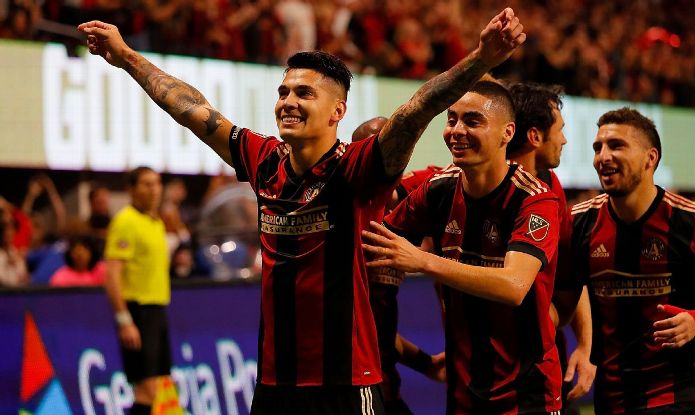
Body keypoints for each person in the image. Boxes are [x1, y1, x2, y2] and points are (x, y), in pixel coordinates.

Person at [78, 8, 526, 415]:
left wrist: (481, 60)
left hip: (348, 387)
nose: (288, 101)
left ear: (337, 112)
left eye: (305, 93)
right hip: (274, 387)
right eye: (284, 91)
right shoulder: (263, 161)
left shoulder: (358, 170)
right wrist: (127, 57)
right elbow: (191, 108)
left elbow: (416, 111)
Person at [362, 80, 562, 414]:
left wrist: (423, 261)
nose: (456, 130)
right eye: (451, 119)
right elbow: (375, 237)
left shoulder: (535, 199)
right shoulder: (437, 189)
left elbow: (514, 285)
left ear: (507, 132)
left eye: (472, 121)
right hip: (463, 391)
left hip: (528, 393)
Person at [559, 108, 695, 414]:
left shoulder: (694, 222)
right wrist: (584, 347)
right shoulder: (578, 223)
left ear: (650, 158)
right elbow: (562, 303)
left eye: (616, 145)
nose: (602, 156)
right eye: (597, 147)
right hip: (611, 399)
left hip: (680, 393)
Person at [507, 81, 596, 414]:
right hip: (480, 373)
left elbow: (568, 275)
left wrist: (585, 347)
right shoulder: (463, 182)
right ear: (534, 136)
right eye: (560, 129)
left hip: (542, 367)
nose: (565, 139)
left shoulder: (551, 187)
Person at [352, 117, 446, 415]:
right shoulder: (344, 219)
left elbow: (374, 327)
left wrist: (425, 364)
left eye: (398, 145)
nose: (390, 153)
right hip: (353, 388)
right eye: (378, 146)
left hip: (386, 386)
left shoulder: (402, 211)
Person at [103, 166, 173, 415]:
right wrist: (124, 320)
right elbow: (111, 274)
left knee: (155, 386)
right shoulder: (125, 221)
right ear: (131, 189)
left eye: (156, 183)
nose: (154, 189)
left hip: (157, 309)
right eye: (146, 184)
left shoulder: (156, 222)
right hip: (138, 311)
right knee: (145, 390)